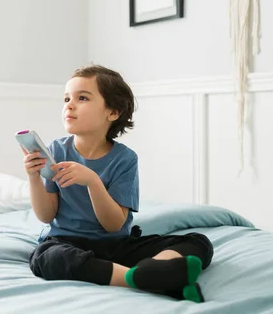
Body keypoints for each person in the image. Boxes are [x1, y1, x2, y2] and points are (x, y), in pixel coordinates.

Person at [22, 64, 213, 303]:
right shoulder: (56, 151)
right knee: (47, 258)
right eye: (66, 98)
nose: (69, 105)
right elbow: (46, 215)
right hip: (67, 242)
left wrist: (93, 181)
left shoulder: (125, 159)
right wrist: (33, 178)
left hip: (117, 244)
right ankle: (141, 276)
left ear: (112, 112)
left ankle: (152, 272)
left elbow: (113, 224)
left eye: (82, 98)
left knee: (198, 242)